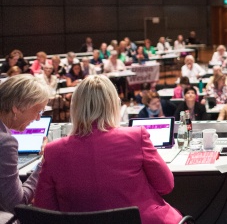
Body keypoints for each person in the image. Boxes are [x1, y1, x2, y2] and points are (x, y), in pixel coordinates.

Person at [33, 75, 182, 223]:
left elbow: (44, 208)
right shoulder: (136, 136)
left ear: (76, 107)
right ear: (113, 104)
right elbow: (166, 185)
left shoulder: (53, 151)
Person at [0, 75, 50, 222]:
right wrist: (44, 162)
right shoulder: (5, 142)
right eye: (38, 111)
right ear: (17, 108)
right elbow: (17, 205)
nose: (38, 119)